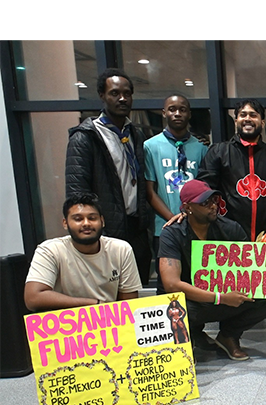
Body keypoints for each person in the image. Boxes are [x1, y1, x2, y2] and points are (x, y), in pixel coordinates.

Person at [196, 98, 266, 350]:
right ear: (235, 120)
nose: (248, 119)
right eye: (243, 114)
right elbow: (204, 188)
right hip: (230, 230)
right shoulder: (218, 151)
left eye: (254, 115)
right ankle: (229, 333)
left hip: (265, 231)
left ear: (262, 122)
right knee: (233, 285)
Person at [158, 179, 266, 361]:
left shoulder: (230, 228)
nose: (213, 206)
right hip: (191, 302)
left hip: (223, 296)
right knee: (174, 306)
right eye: (204, 203)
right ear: (187, 208)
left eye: (213, 200)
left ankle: (229, 336)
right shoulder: (172, 233)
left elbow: (251, 271)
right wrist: (221, 297)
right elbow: (171, 285)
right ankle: (193, 335)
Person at [65, 68, 151, 286]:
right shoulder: (86, 137)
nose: (122, 98)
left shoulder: (134, 134)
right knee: (108, 297)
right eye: (114, 93)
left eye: (127, 93)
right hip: (105, 232)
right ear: (102, 95)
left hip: (136, 228)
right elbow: (77, 194)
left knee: (136, 292)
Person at [25, 193, 141, 312]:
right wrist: (94, 304)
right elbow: (33, 298)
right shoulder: (50, 250)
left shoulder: (121, 249)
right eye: (78, 219)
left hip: (108, 323)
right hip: (66, 325)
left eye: (92, 218)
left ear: (102, 221)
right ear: (65, 223)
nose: (86, 223)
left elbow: (129, 305)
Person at [144, 94, 208, 281]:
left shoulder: (201, 147)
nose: (177, 113)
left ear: (189, 114)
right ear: (164, 113)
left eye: (182, 109)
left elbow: (205, 190)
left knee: (197, 279)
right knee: (168, 284)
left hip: (195, 226)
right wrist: (173, 218)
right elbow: (150, 191)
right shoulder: (150, 146)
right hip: (163, 227)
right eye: (172, 109)